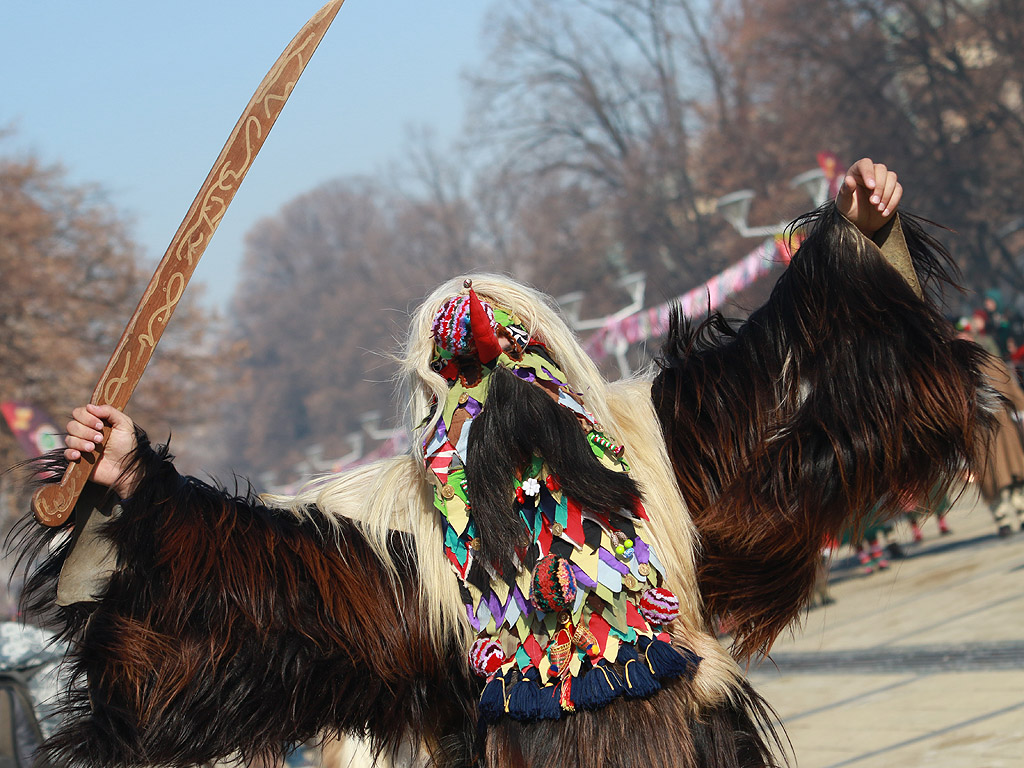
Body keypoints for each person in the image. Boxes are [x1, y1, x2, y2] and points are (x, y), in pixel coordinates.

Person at [18, 160, 991, 768]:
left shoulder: (647, 438)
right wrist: (131, 485)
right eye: (472, 373)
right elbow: (244, 574)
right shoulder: (406, 517)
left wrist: (856, 243)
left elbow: (796, 359)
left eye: (510, 360)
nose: (497, 393)